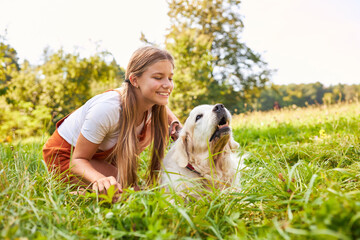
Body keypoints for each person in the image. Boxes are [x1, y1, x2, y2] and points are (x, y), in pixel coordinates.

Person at [42, 46, 181, 198]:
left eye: (170, 78)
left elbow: (166, 112)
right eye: (158, 77)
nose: (168, 85)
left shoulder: (153, 105)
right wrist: (100, 180)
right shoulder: (109, 109)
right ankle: (78, 192)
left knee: (133, 190)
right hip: (68, 158)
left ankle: (86, 191)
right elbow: (77, 161)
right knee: (129, 193)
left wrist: (177, 126)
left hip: (98, 155)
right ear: (135, 80)